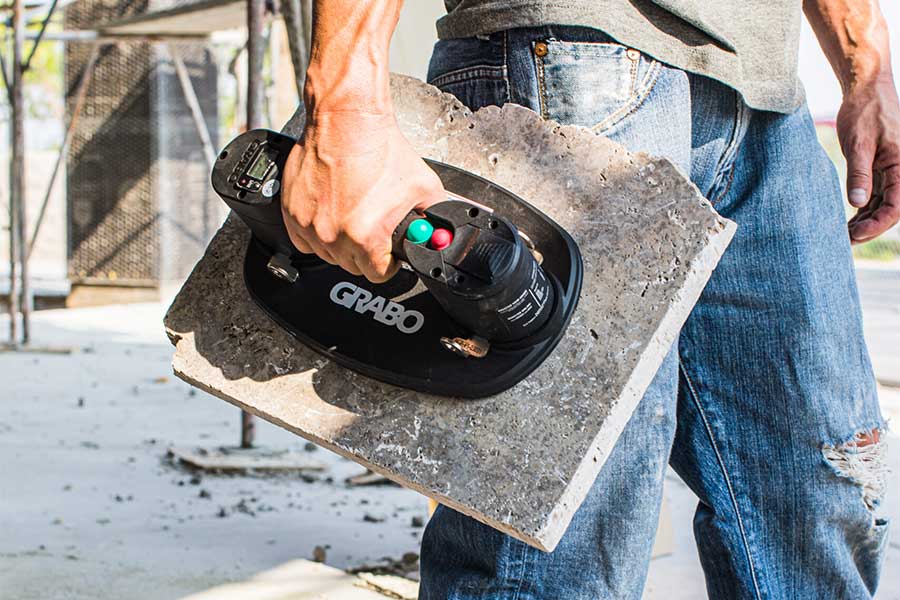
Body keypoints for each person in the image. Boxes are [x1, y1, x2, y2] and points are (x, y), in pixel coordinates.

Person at [281, 1, 895, 598]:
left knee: (816, 502)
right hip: (571, 50)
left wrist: (867, 65)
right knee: (559, 542)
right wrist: (344, 107)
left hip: (764, 89)